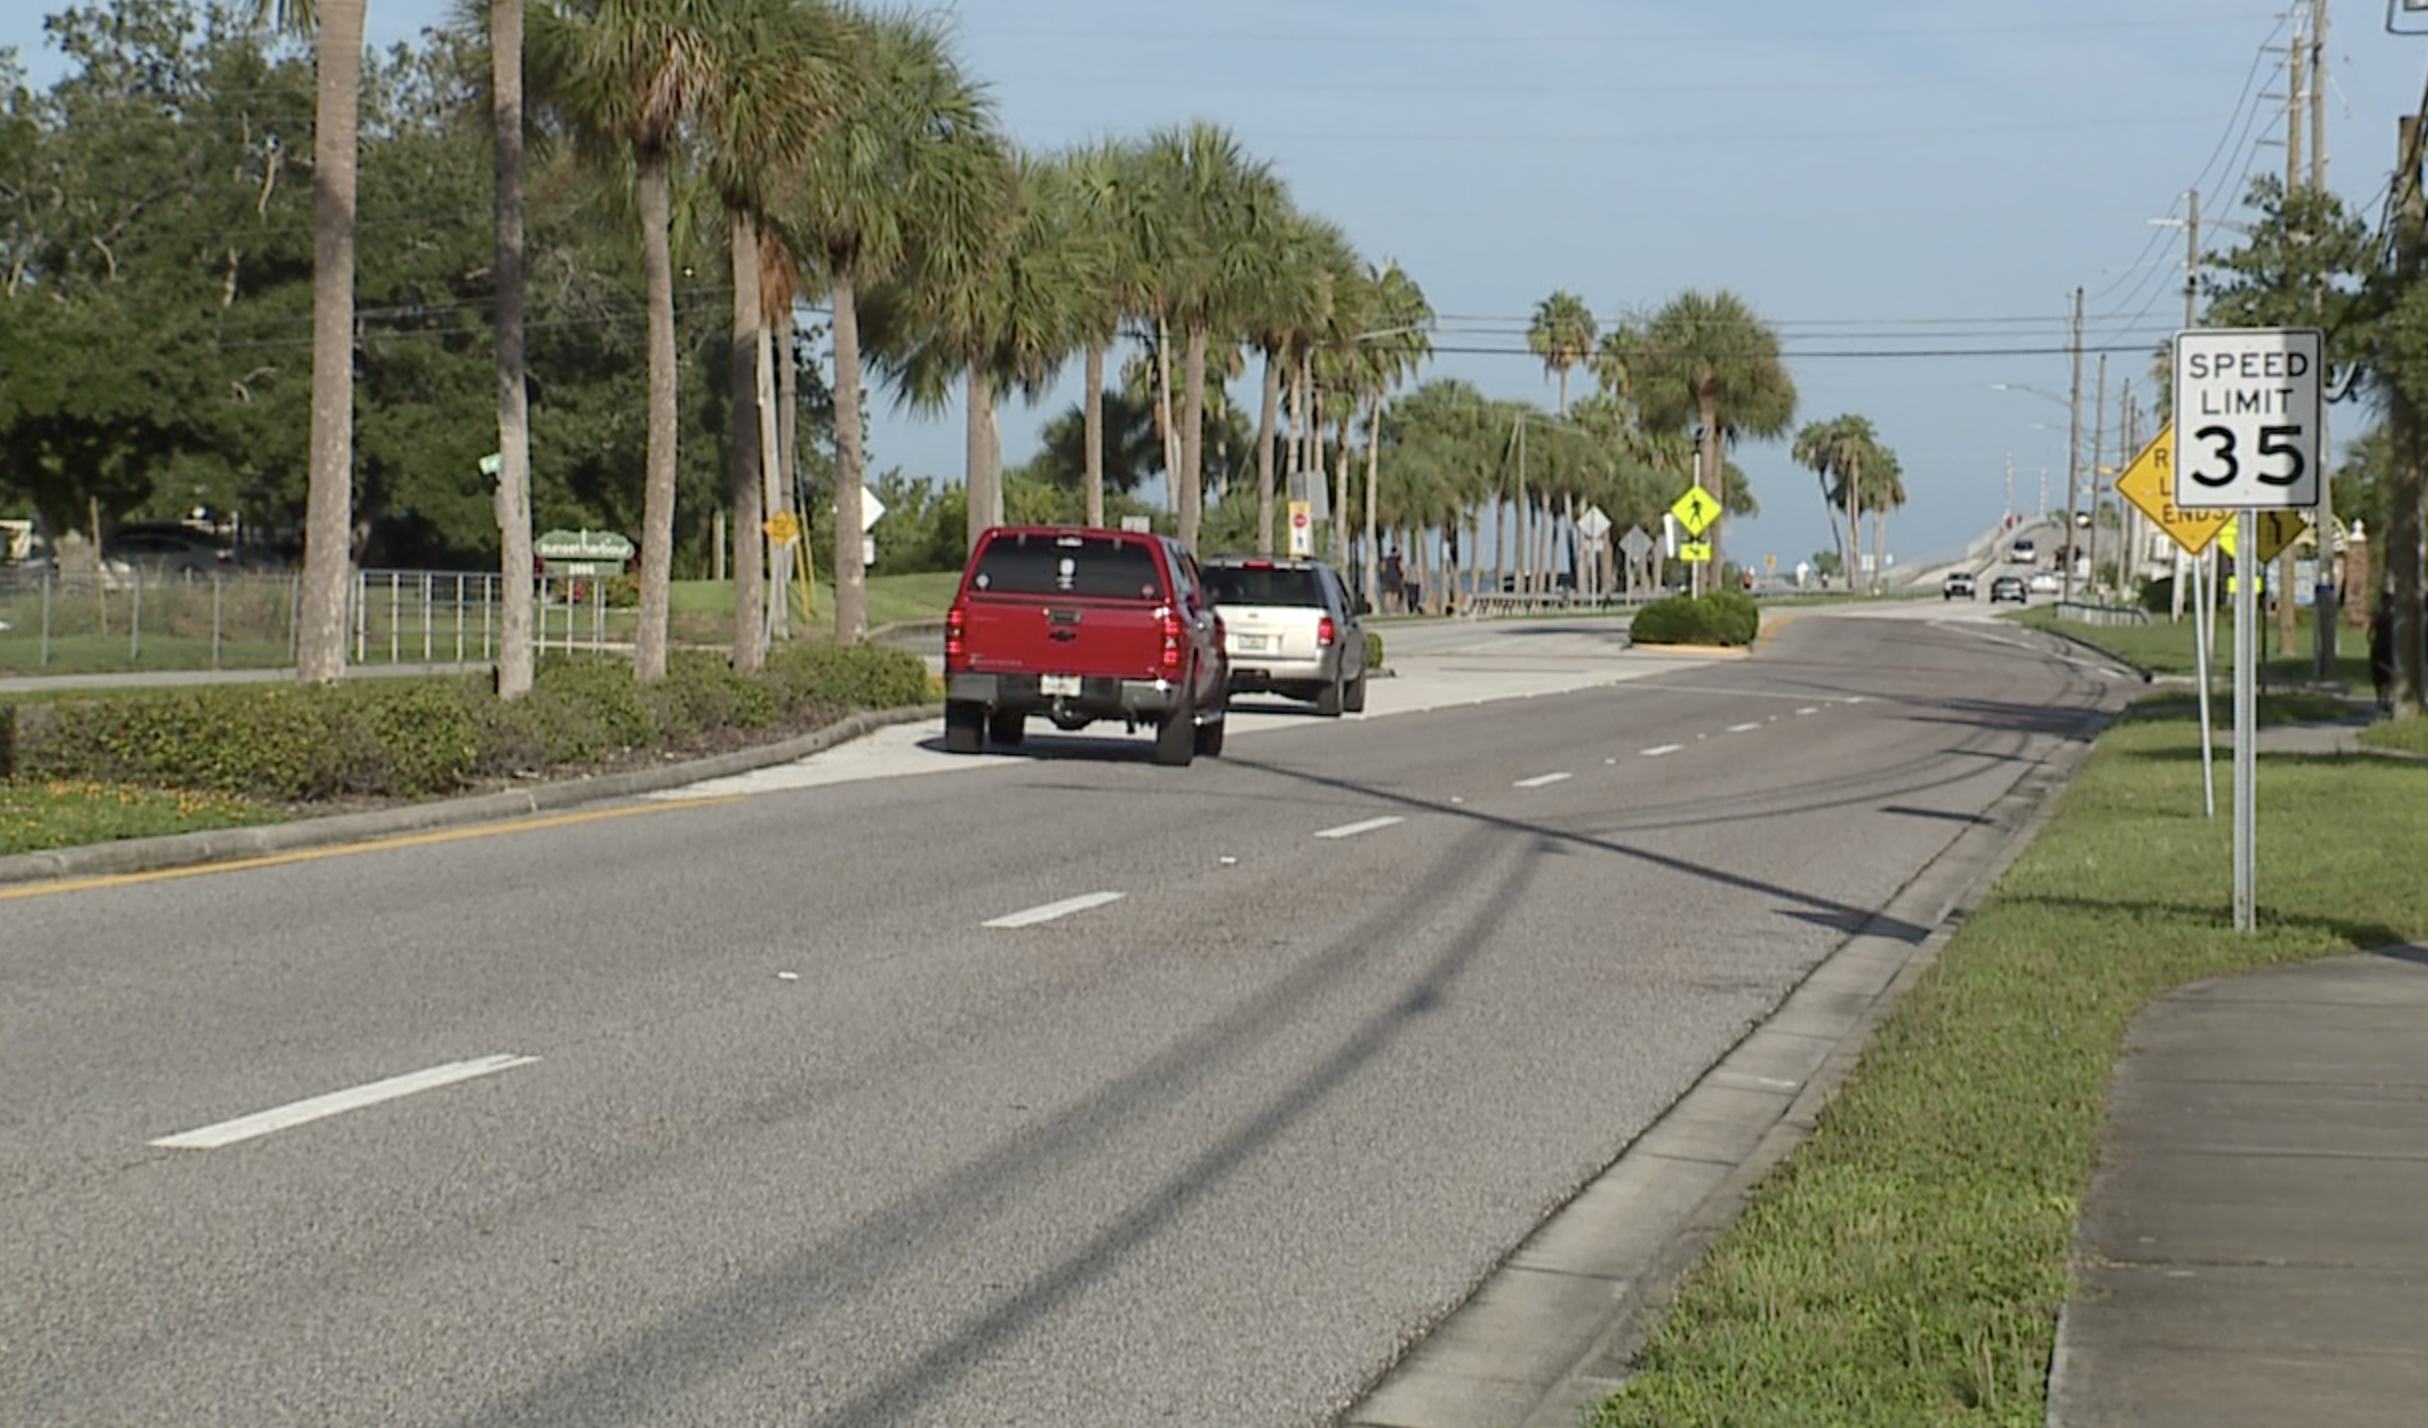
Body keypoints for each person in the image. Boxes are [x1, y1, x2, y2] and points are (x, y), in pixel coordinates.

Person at [2369, 590, 2395, 714]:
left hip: (2379, 647)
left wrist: (2371, 640)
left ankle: (2381, 699)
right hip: (2386, 647)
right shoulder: (2391, 617)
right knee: (2385, 675)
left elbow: (2369, 633)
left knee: (2380, 675)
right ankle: (2383, 699)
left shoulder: (2378, 616)